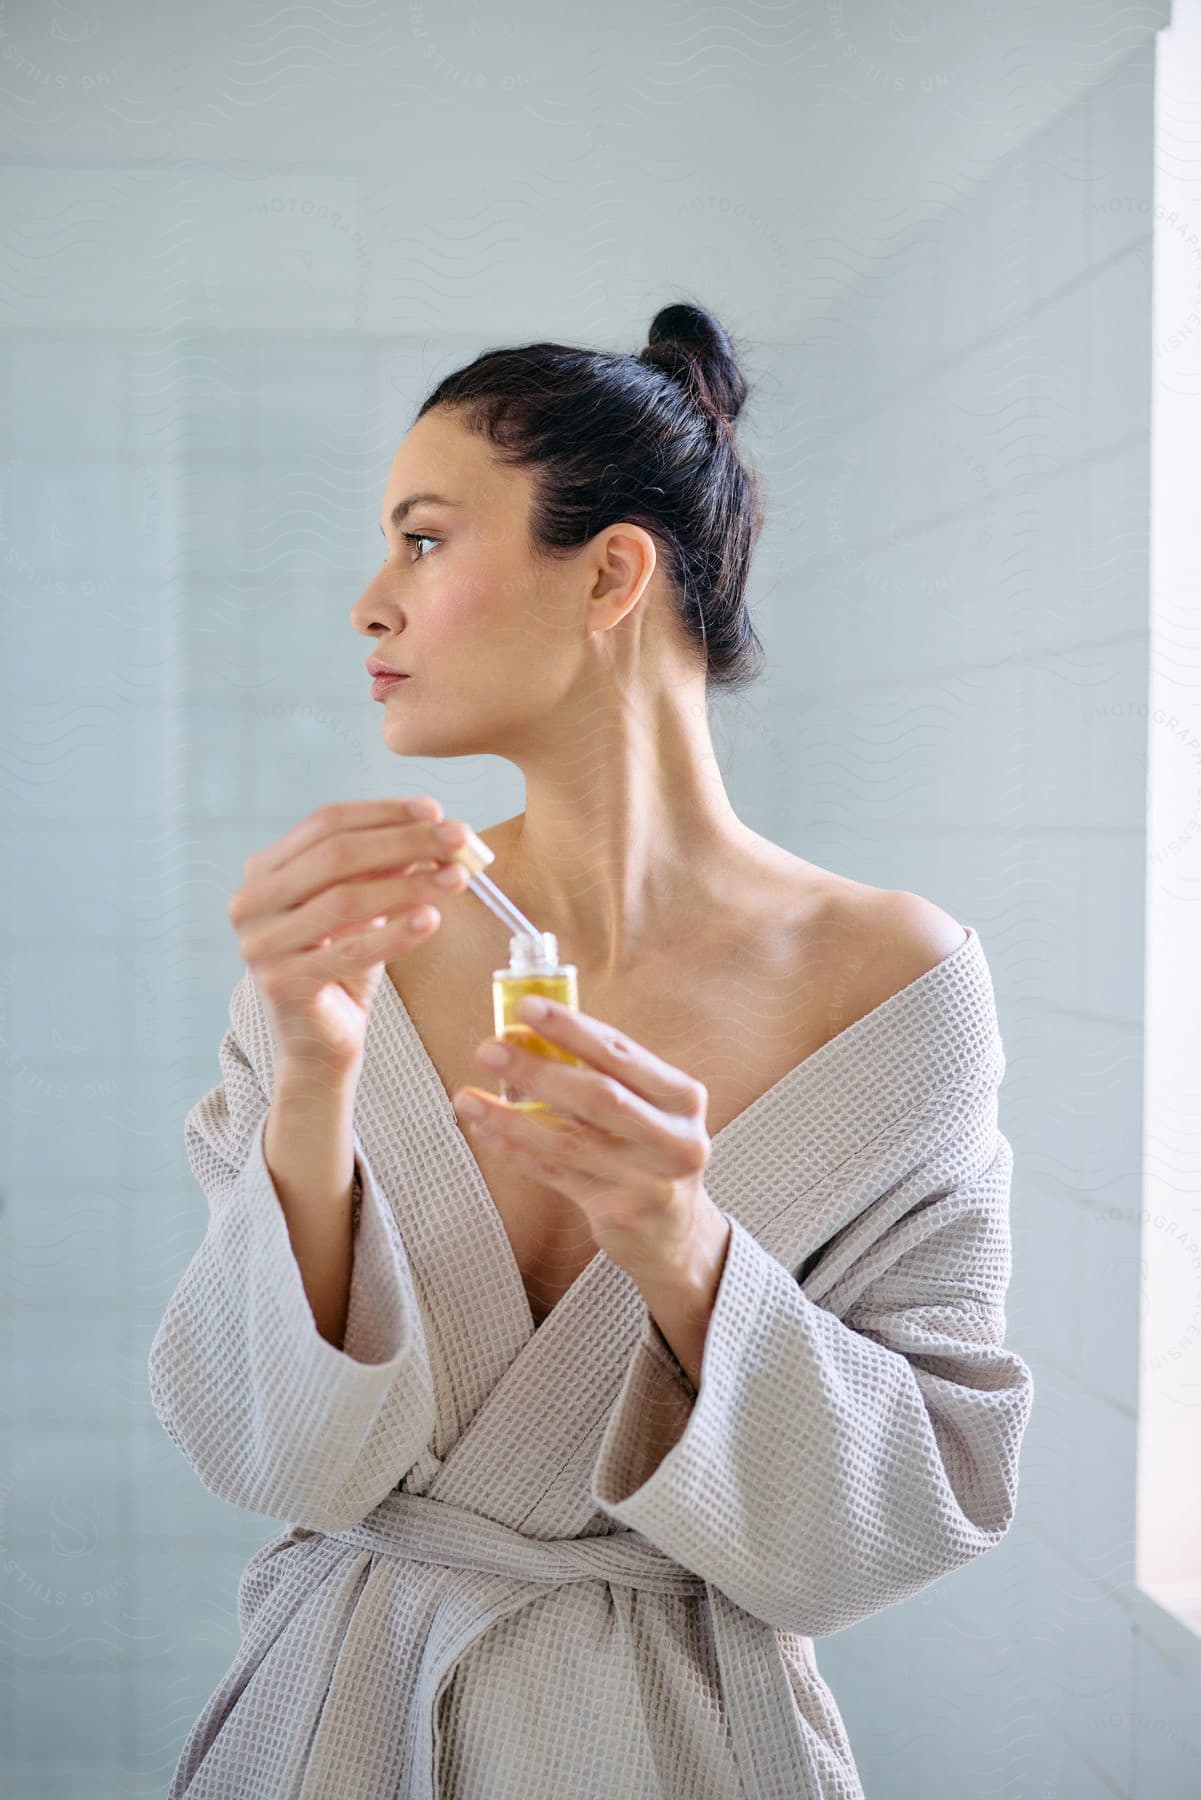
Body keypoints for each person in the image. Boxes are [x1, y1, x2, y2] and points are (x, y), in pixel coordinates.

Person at [148, 301, 1034, 1798]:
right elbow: (267, 1458)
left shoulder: (893, 988)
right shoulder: (350, 947)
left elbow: (905, 1512)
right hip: (339, 1724)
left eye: (423, 539)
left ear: (611, 570)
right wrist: (309, 1080)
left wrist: (676, 1241)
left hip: (678, 1738)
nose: (369, 602)